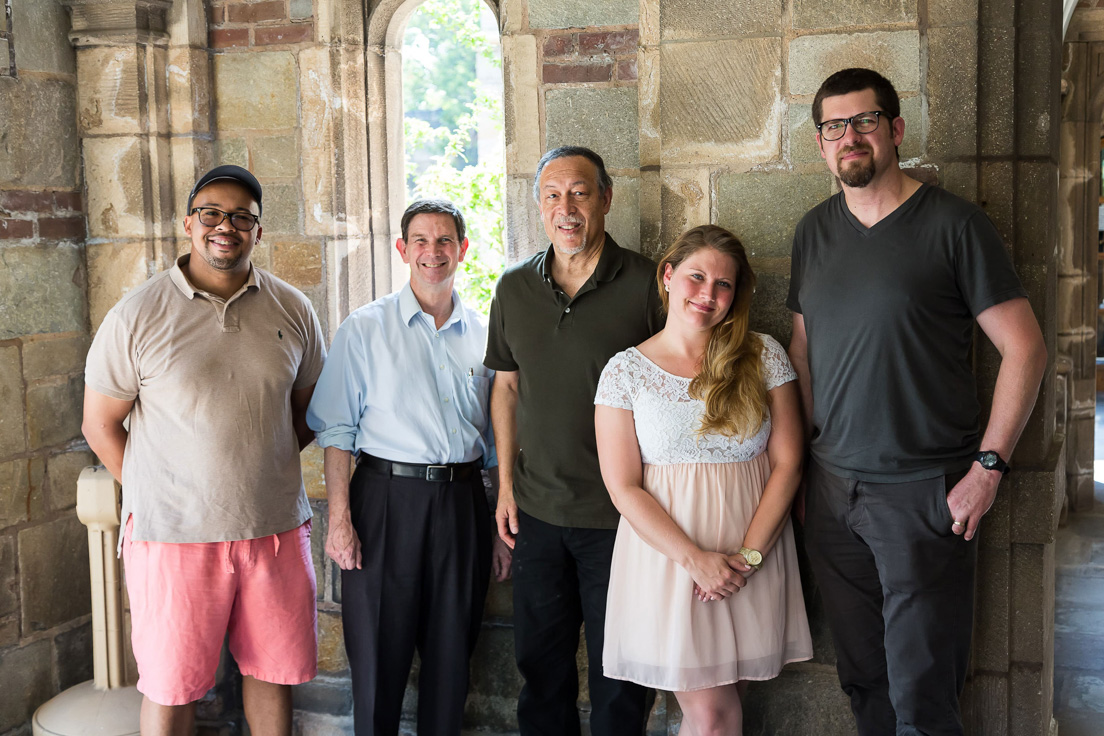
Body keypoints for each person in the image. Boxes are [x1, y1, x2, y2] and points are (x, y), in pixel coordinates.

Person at [788, 67, 1047, 736]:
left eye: (865, 121)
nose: (850, 137)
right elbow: (803, 353)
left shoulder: (956, 225)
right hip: (834, 493)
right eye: (834, 127)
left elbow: (1026, 350)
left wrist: (988, 470)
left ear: (895, 129)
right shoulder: (812, 233)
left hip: (923, 495)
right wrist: (806, 469)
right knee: (864, 681)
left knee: (923, 696)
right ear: (820, 143)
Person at [82, 165, 325, 736]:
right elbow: (100, 425)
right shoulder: (137, 315)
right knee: (171, 688)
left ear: (258, 232)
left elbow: (308, 411)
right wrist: (156, 489)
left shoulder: (293, 309)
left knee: (273, 676)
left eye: (243, 216)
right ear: (189, 224)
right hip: (172, 539)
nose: (226, 226)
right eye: (212, 213)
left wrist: (255, 465)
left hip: (274, 532)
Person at [594, 224, 812, 736]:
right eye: (696, 277)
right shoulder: (625, 372)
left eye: (723, 285)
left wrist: (749, 558)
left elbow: (789, 463)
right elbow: (622, 485)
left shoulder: (762, 355)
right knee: (713, 717)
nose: (707, 294)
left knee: (719, 709)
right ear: (668, 276)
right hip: (672, 564)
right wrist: (696, 561)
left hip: (753, 557)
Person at [306, 198, 510, 736]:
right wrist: (340, 521)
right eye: (421, 241)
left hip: (463, 504)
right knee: (378, 657)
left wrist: (496, 528)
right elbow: (337, 431)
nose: (433, 252)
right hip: (384, 501)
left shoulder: (485, 335)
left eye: (445, 241)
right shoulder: (365, 328)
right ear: (402, 249)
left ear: (463, 250)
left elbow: (493, 443)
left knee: (451, 657)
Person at [485, 146, 662, 735]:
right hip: (536, 513)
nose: (567, 208)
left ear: (606, 199)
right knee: (540, 668)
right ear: (539, 206)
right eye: (553, 195)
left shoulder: (646, 285)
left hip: (620, 518)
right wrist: (506, 487)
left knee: (622, 677)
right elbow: (506, 390)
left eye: (581, 193)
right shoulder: (513, 288)